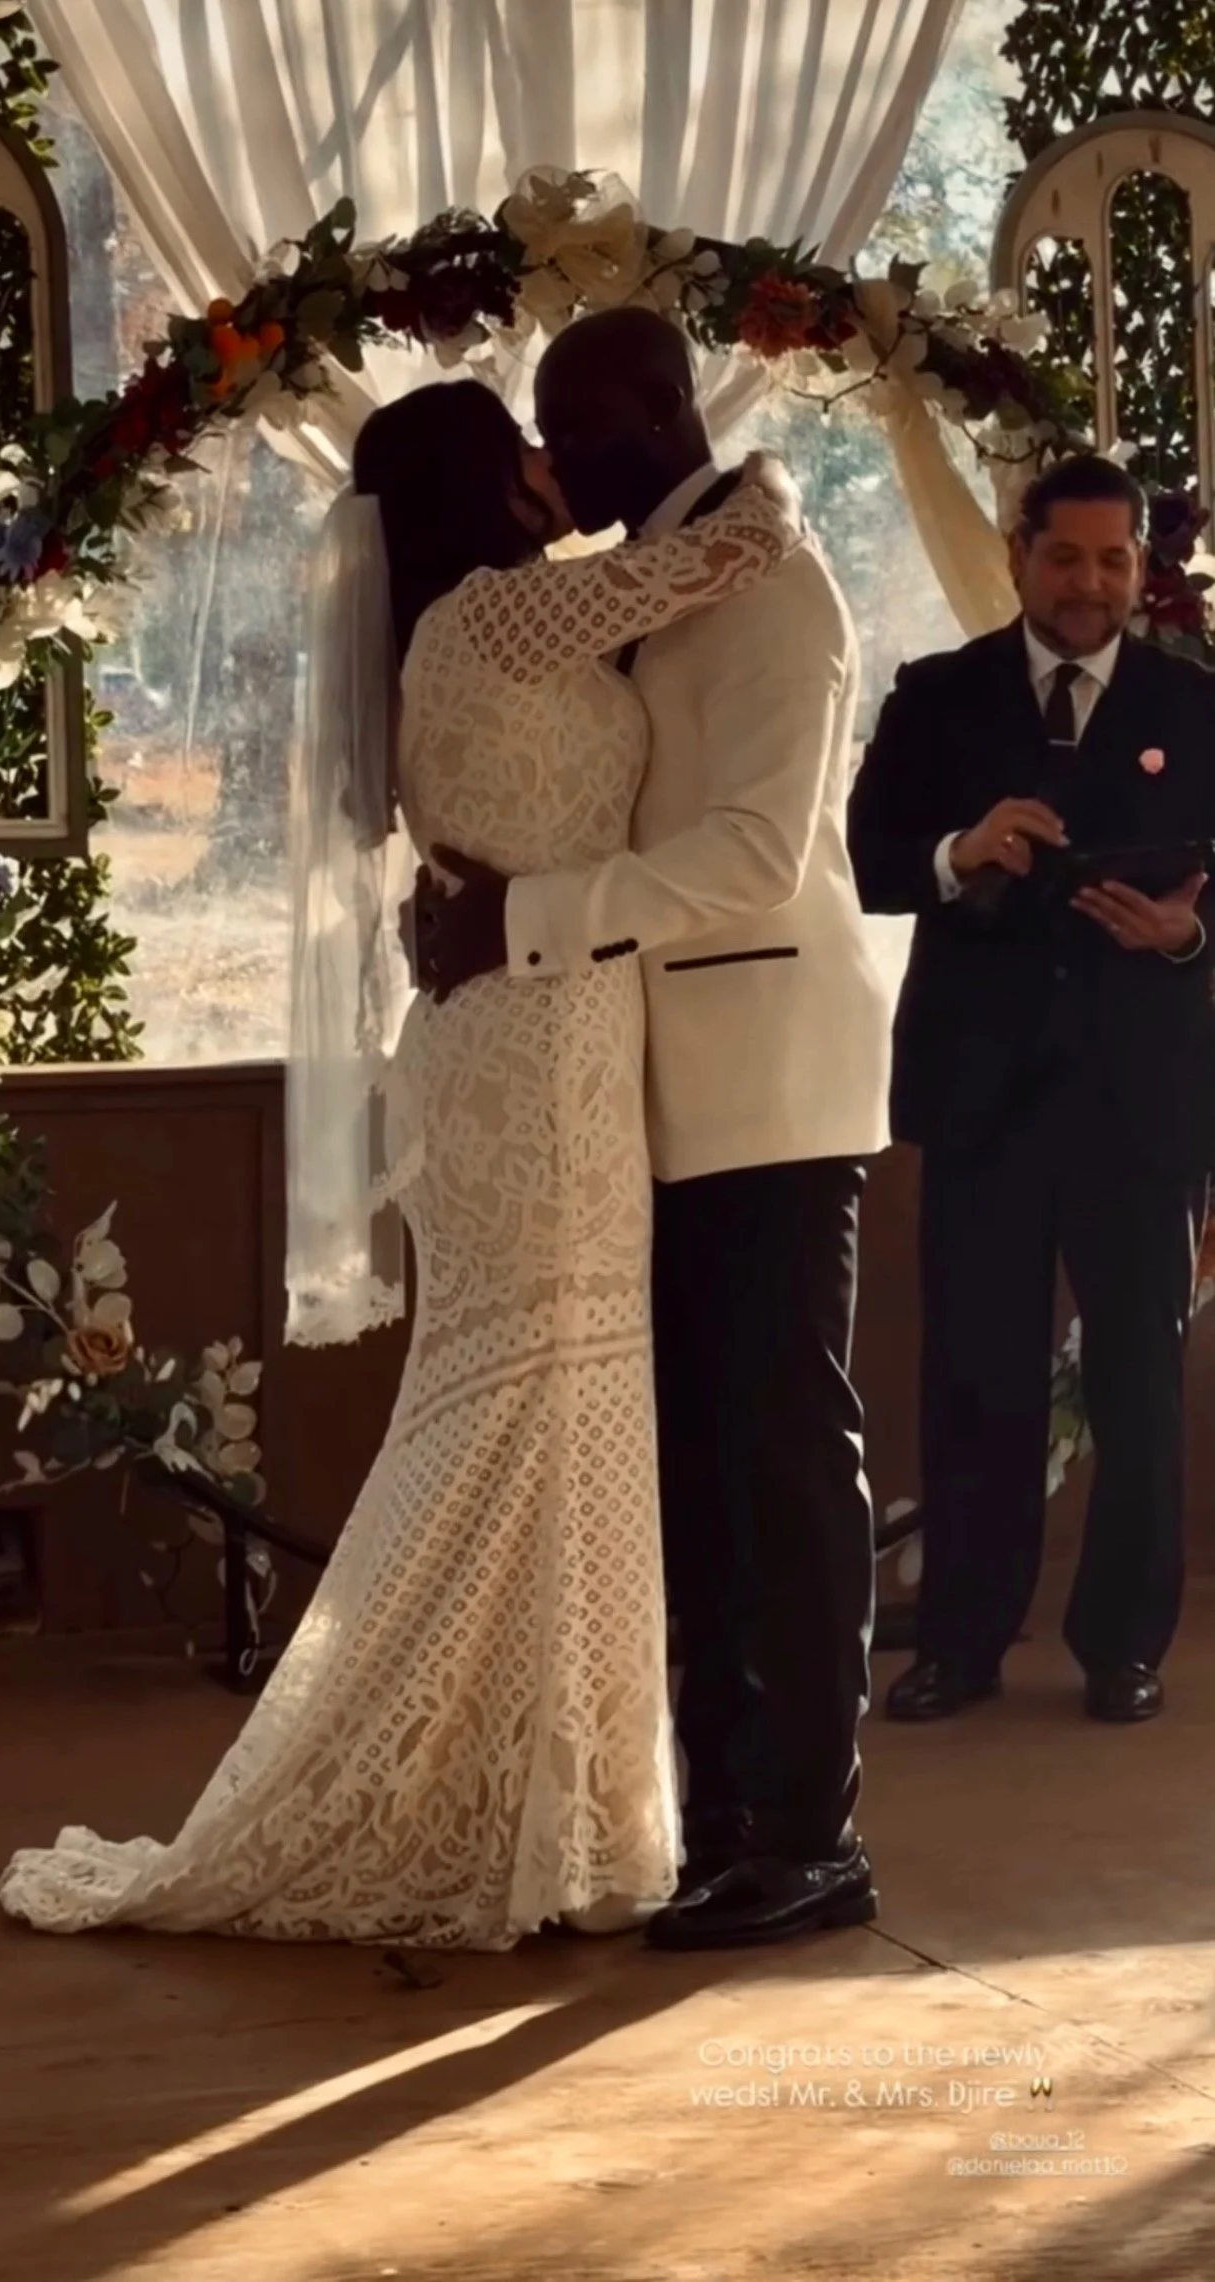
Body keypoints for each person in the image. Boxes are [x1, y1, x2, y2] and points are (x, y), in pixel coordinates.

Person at [0, 382, 795, 1951]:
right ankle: (460, 1789)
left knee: (529, 1409)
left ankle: (535, 1804)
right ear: (482, 491)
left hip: (515, 1046)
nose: (555, 469)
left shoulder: (458, 633)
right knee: (535, 1410)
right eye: (528, 449)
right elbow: (735, 545)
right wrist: (745, 453)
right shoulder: (496, 622)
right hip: (540, 1060)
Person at [416, 308, 891, 1953]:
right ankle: (722, 1817)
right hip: (644, 1098)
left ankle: (811, 1831)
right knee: (700, 1469)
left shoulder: (768, 578)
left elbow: (757, 853)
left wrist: (526, 918)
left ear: (661, 405)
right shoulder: (663, 569)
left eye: (577, 413)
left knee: (778, 1456)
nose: (555, 453)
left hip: (764, 1074)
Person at [848, 452, 1215, 1727]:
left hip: (1141, 1098)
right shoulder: (937, 698)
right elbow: (867, 863)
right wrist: (961, 852)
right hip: (982, 1094)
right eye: (1067, 557)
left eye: (1116, 561)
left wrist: (1183, 937)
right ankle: (961, 1638)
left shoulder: (1194, 701)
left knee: (1140, 1383)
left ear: (1140, 569)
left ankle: (1124, 1644)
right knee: (975, 1374)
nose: (1091, 584)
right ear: (1019, 555)